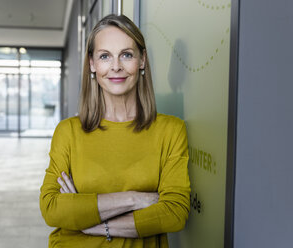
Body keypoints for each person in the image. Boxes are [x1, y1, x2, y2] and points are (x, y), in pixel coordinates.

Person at [40, 14, 190, 248]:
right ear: (92, 64)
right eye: (105, 56)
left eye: (127, 55)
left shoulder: (171, 131)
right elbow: (51, 208)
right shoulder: (68, 132)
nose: (116, 66)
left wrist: (87, 218)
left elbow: (174, 213)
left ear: (141, 60)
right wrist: (135, 199)